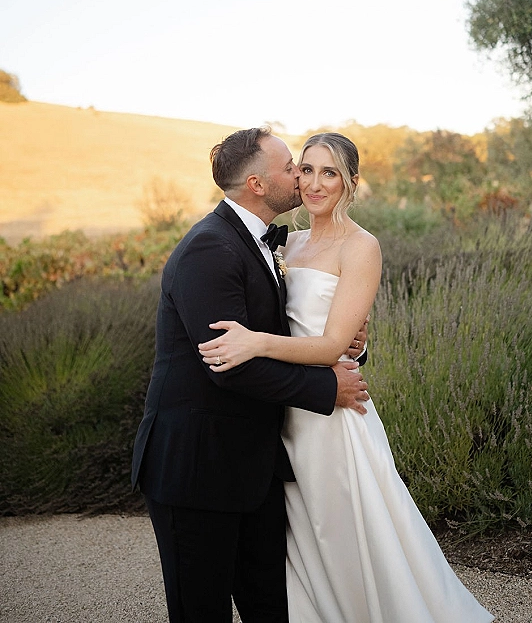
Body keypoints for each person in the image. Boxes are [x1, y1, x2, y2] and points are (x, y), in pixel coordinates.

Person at [199, 132, 495, 623]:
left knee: (350, 535)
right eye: (307, 169)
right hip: (282, 416)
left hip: (333, 416)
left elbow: (335, 345)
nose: (314, 183)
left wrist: (256, 342)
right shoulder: (284, 245)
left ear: (351, 183)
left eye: (330, 172)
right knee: (301, 543)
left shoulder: (362, 247)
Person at [131, 127, 371, 623]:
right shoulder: (209, 248)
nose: (302, 178)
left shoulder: (267, 243)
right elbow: (228, 365)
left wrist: (349, 345)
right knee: (202, 612)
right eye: (293, 168)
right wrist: (328, 387)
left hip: (256, 466)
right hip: (195, 469)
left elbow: (294, 326)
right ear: (259, 185)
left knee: (275, 608)